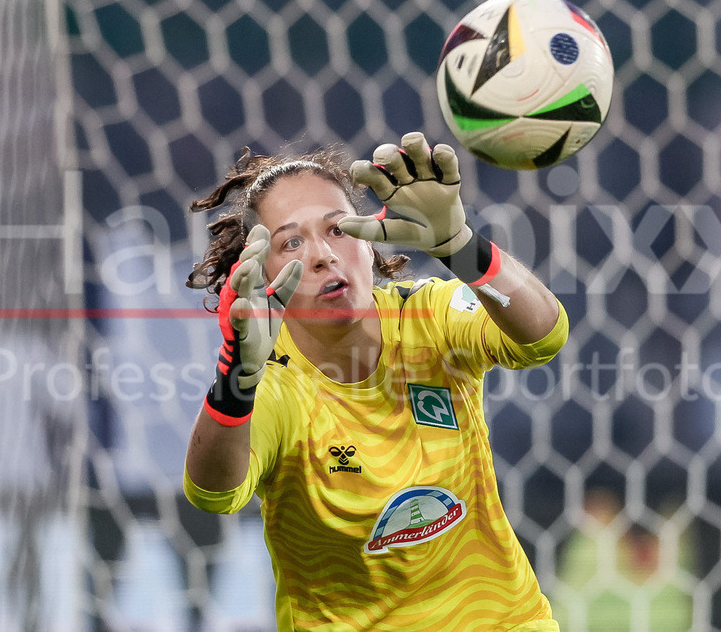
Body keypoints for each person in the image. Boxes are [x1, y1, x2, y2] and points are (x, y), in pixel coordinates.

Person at [182, 132, 569, 630]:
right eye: (291, 242)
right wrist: (237, 375)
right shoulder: (272, 382)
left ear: (370, 244)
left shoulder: (428, 312)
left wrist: (461, 246)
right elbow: (212, 492)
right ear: (262, 273)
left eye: (337, 228)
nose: (322, 254)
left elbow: (543, 337)